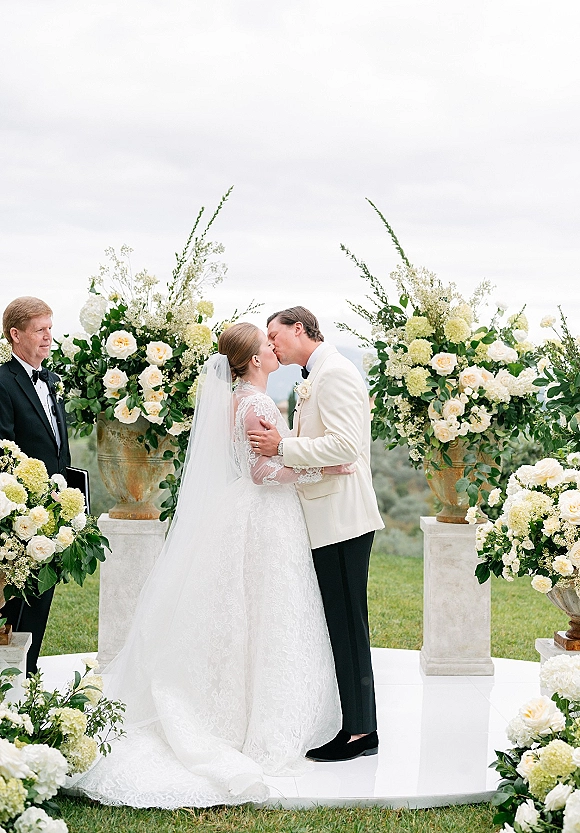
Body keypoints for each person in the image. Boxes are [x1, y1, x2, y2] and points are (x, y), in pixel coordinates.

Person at [74, 323, 348, 808]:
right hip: (264, 515)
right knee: (265, 612)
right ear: (254, 360)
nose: (273, 346)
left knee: (246, 613)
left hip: (248, 512)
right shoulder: (258, 404)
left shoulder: (237, 398)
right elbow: (264, 472)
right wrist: (322, 468)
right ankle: (250, 720)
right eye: (267, 344)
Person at [248, 307, 384, 763]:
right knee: (341, 624)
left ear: (299, 329)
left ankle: (361, 733)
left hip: (343, 518)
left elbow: (349, 444)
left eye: (275, 334)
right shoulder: (316, 374)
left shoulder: (336, 374)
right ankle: (357, 725)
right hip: (327, 516)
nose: (272, 344)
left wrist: (282, 447)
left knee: (349, 625)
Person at [0, 296, 71, 674]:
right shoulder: (2, 382)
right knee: (14, 605)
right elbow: (4, 449)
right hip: (21, 513)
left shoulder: (51, 380)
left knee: (41, 600)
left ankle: (27, 683)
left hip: (55, 512)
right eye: (40, 330)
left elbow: (58, 446)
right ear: (15, 335)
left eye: (50, 328)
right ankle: (10, 686)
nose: (48, 337)